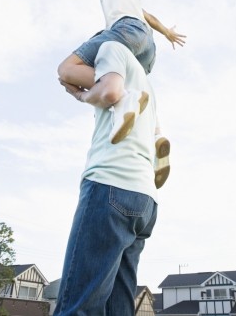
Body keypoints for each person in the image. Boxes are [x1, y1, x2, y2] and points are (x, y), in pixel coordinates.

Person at [16, 0, 184, 187]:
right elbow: (150, 19)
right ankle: (156, 136)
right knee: (138, 81)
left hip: (124, 32)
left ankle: (122, 98)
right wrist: (167, 33)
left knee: (67, 69)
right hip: (148, 46)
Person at [54, 41, 158, 316]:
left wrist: (82, 97)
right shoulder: (148, 85)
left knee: (78, 307)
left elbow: (110, 91)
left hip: (110, 184)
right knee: (118, 307)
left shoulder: (113, 48)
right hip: (145, 199)